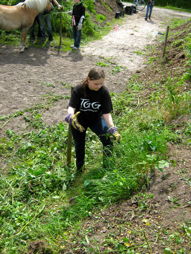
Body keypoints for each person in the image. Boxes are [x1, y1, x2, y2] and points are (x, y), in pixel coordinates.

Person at [65, 68, 121, 173]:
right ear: (89, 80)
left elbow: (106, 113)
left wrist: (112, 128)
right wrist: (70, 116)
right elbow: (71, 106)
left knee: (107, 140)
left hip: (96, 119)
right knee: (79, 145)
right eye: (96, 84)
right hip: (78, 121)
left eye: (101, 83)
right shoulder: (78, 90)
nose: (99, 86)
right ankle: (80, 170)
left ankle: (108, 167)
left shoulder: (103, 92)